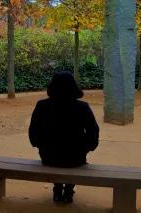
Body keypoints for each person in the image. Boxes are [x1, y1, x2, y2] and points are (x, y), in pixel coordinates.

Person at [29, 72, 99, 204]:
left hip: (48, 157)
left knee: (57, 153)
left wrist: (40, 145)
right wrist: (87, 148)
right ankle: (68, 191)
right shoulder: (82, 107)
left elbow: (33, 131)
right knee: (71, 156)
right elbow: (93, 131)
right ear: (73, 86)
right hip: (75, 157)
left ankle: (58, 189)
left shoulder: (42, 105)